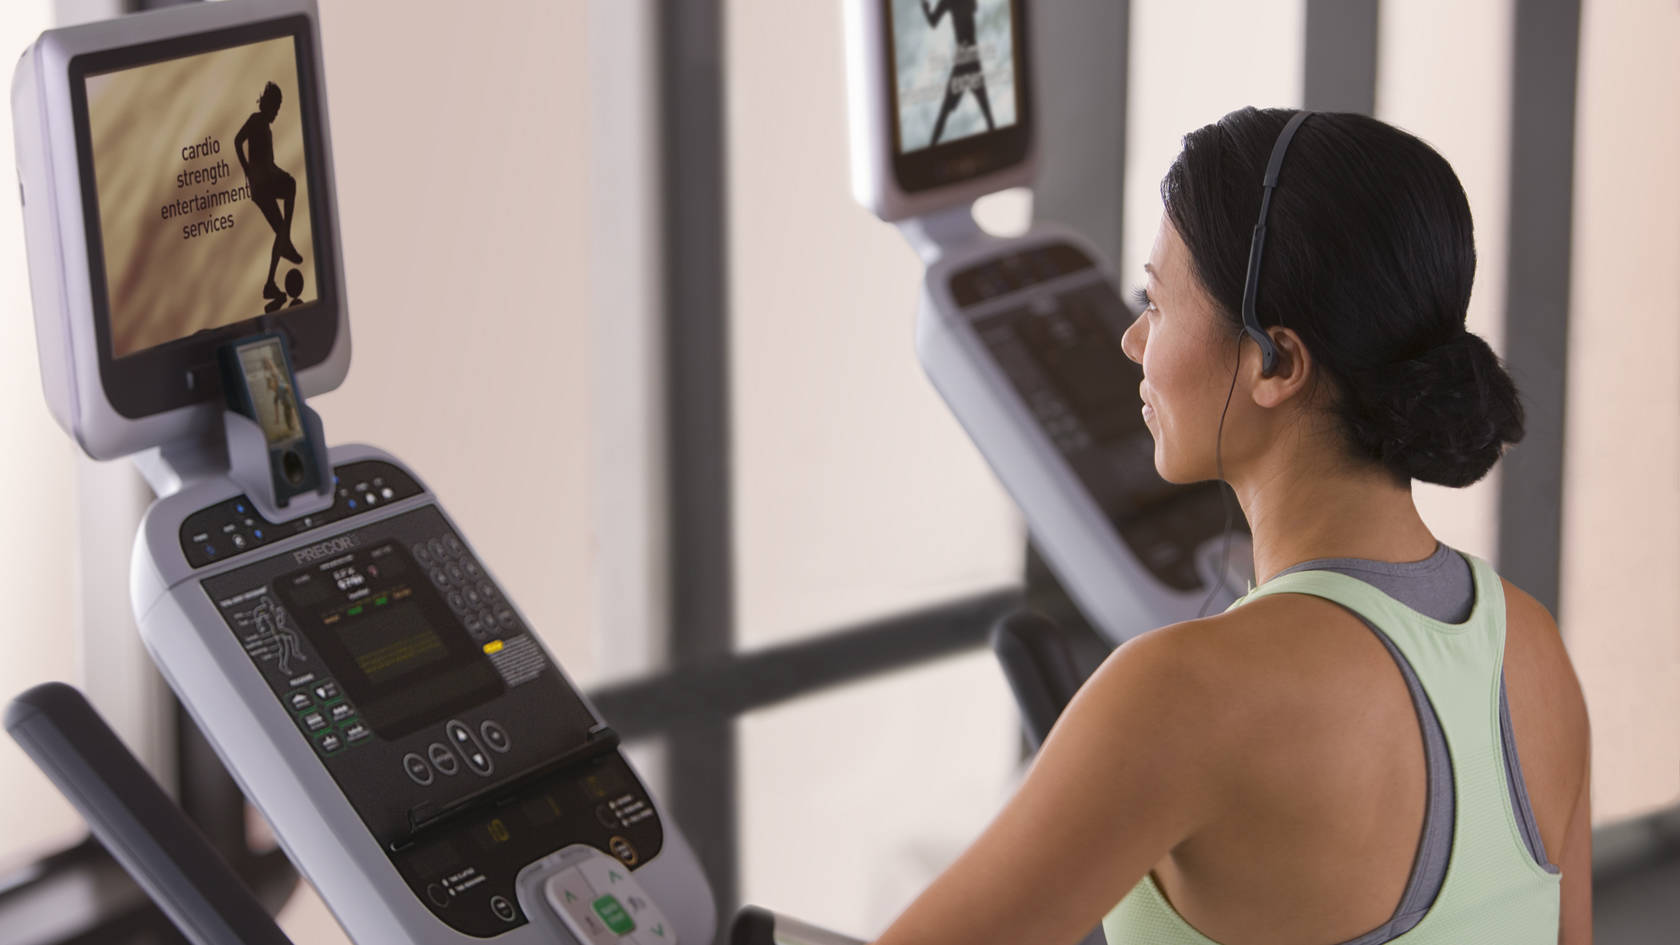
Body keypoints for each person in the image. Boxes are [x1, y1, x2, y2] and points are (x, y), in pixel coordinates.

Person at [866, 108, 1591, 945]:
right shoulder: (1532, 647)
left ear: (1275, 362)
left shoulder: (1181, 695)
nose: (1134, 341)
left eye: (1156, 302)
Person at [234, 81, 304, 306]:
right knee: (291, 185)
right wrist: (246, 170)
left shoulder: (265, 126)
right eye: (276, 106)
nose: (277, 112)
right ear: (268, 105)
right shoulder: (256, 120)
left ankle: (270, 284)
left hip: (266, 179)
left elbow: (268, 162)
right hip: (262, 183)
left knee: (281, 228)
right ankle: (286, 243)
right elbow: (238, 140)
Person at [921, 0, 995, 147]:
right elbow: (974, 8)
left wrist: (925, 9)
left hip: (964, 61)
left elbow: (933, 22)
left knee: (945, 112)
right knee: (986, 113)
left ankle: (930, 151)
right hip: (971, 60)